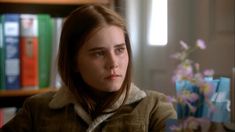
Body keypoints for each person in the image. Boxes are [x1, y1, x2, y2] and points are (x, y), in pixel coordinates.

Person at [0, 4, 176, 132]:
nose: (113, 63)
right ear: (73, 61)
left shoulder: (155, 107)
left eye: (120, 50)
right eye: (99, 53)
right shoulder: (37, 109)